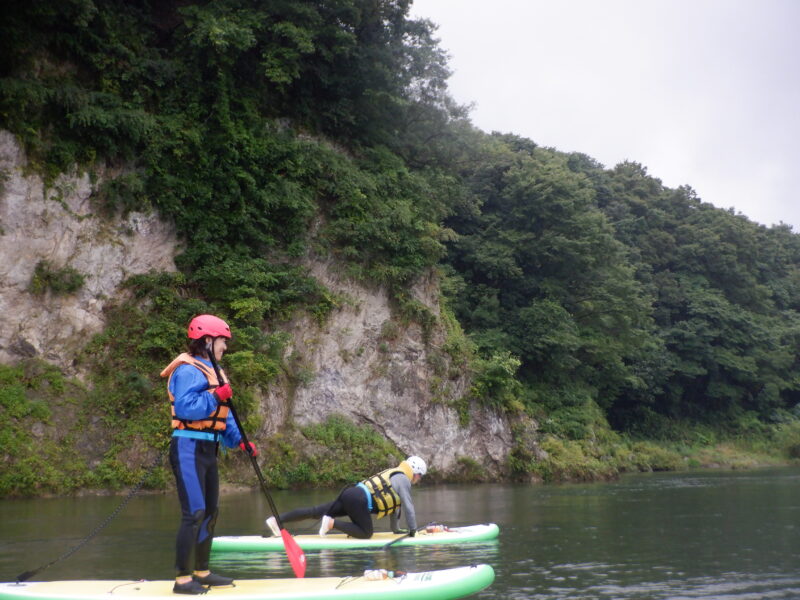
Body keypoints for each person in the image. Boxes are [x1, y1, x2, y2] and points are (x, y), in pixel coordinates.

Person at [161, 314, 258, 595]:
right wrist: (216, 396)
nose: (225, 347)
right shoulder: (188, 370)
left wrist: (241, 442)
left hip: (208, 448)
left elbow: (224, 418)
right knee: (194, 513)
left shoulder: (213, 371)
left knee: (210, 513)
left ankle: (202, 572)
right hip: (188, 446)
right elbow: (186, 408)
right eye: (222, 342)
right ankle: (182, 580)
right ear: (206, 340)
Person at [266, 456, 427, 539]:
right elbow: (408, 507)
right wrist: (413, 531)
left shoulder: (395, 474)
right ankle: (331, 523)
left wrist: (396, 530)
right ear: (415, 472)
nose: (418, 480)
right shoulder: (404, 479)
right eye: (420, 476)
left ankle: (277, 520)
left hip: (351, 493)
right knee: (366, 533)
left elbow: (395, 510)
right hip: (359, 500)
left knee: (315, 511)